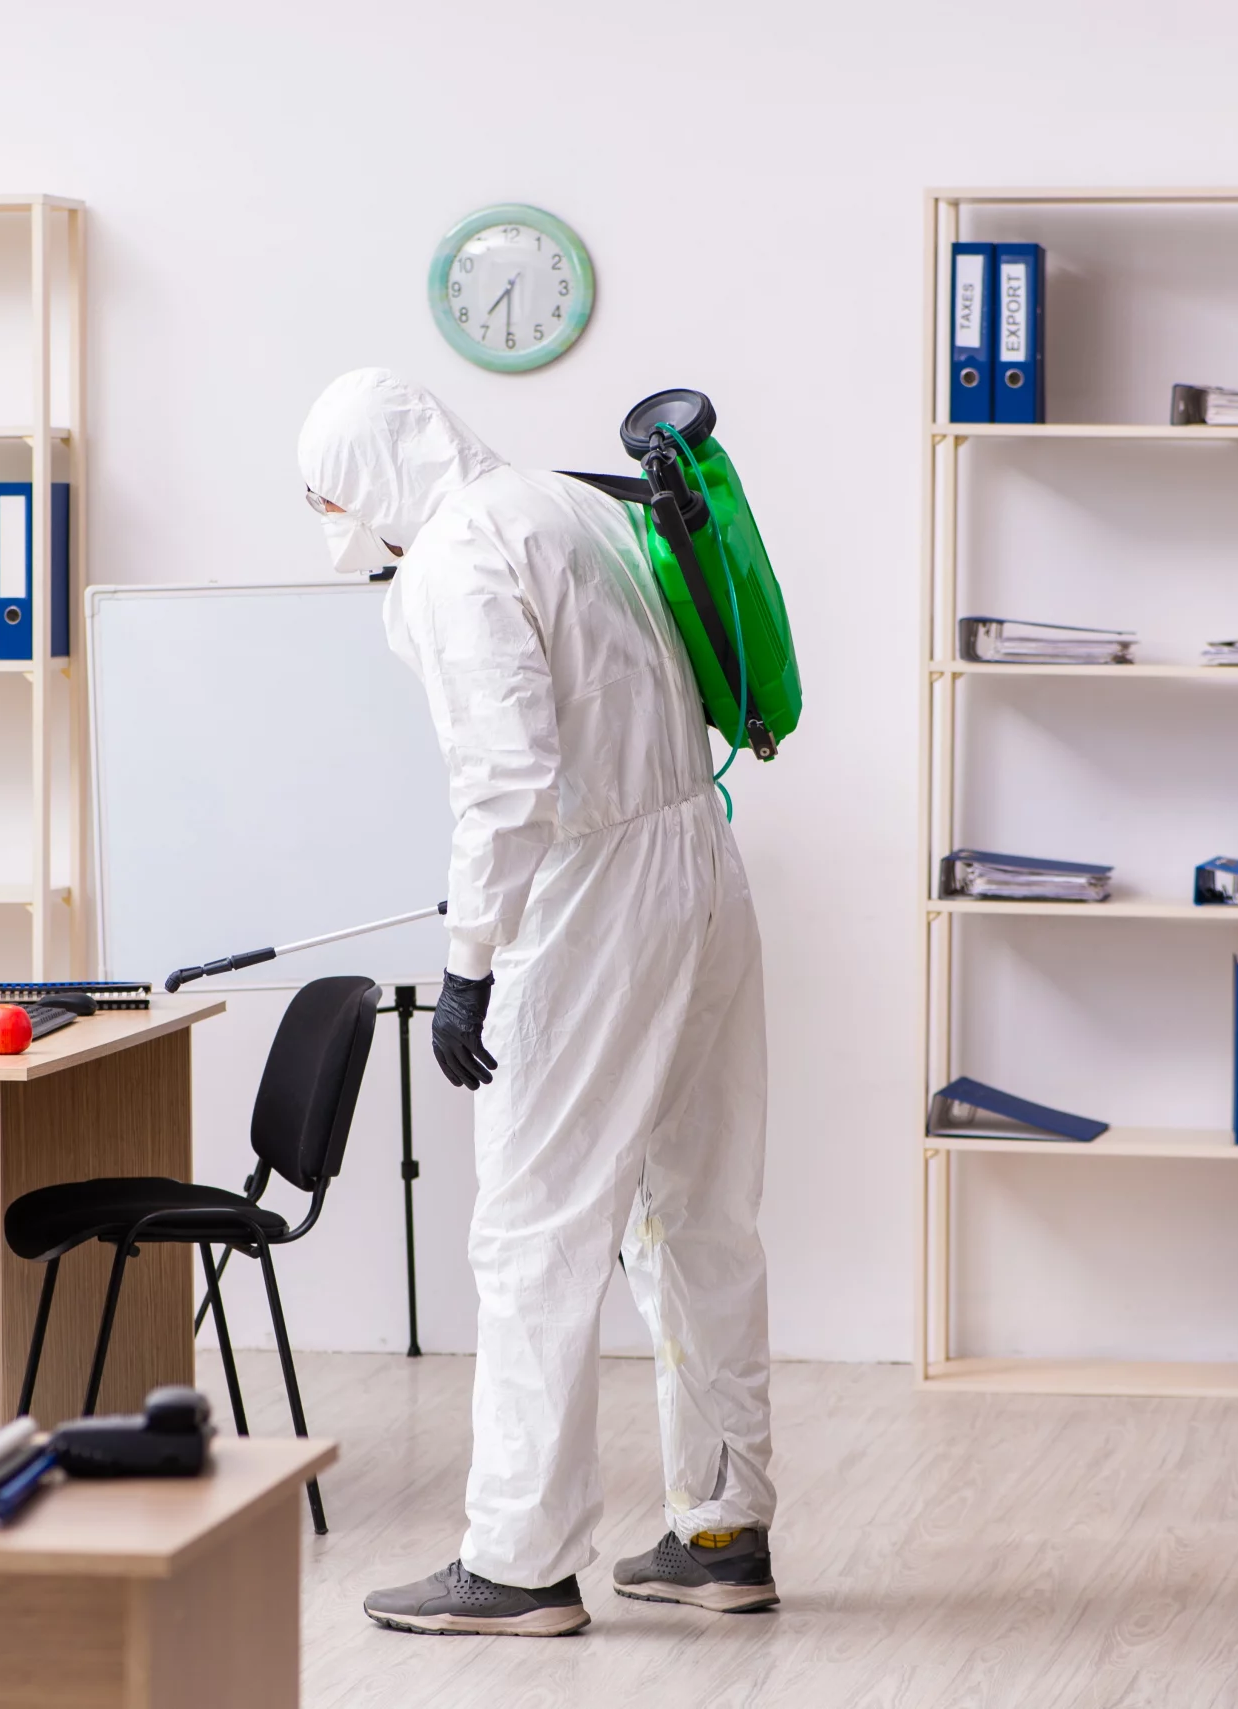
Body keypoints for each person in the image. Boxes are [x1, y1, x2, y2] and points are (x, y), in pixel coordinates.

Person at [298, 368, 778, 1638]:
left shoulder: (456, 556)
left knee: (532, 1231)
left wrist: (469, 964)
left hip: (595, 894)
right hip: (700, 863)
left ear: (380, 470)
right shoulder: (566, 501)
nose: (342, 526)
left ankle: (516, 1560)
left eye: (334, 498)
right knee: (702, 1210)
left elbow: (508, 778)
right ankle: (721, 1530)